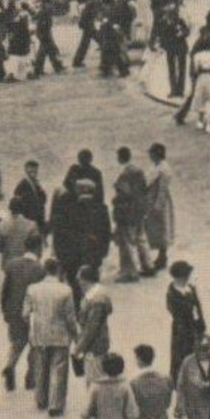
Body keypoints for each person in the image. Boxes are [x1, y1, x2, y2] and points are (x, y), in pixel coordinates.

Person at [24, 257, 78, 416]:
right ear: (58, 270)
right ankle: (55, 404)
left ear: (44, 270)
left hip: (39, 334)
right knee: (58, 368)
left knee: (40, 367)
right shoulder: (66, 290)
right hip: (60, 335)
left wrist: (32, 327)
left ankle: (41, 399)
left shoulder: (32, 289)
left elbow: (25, 314)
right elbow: (70, 317)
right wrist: (75, 336)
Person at [0, 238, 46, 393]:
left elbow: (5, 291)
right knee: (35, 345)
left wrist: (5, 310)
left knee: (16, 343)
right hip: (33, 313)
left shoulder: (11, 264)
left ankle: (10, 365)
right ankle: (30, 378)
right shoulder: (40, 268)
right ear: (38, 248)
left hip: (14, 311)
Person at [112, 146, 155, 282]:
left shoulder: (125, 174)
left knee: (127, 242)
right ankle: (148, 266)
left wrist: (116, 200)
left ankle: (130, 272)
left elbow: (125, 194)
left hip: (127, 212)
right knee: (141, 238)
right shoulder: (139, 171)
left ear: (120, 157)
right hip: (139, 211)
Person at [165, 260, 208, 384]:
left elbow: (198, 307)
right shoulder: (172, 294)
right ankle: (179, 380)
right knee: (181, 354)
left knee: (198, 353)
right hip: (182, 330)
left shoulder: (191, 288)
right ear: (180, 277)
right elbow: (178, 313)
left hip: (195, 327)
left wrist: (201, 324)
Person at [74, 264, 116, 381]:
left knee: (95, 379)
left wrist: (79, 347)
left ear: (85, 280)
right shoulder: (97, 295)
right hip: (97, 343)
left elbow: (91, 328)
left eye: (79, 279)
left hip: (94, 346)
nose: (78, 282)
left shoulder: (95, 300)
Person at [83, 352, 140, 419]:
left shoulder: (95, 387)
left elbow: (85, 414)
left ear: (103, 368)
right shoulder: (125, 387)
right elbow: (132, 415)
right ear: (121, 368)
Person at [144, 143, 177, 271]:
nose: (150, 156)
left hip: (159, 202)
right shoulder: (155, 166)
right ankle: (160, 256)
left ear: (156, 154)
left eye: (151, 153)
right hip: (151, 200)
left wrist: (158, 205)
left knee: (162, 228)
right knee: (155, 229)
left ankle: (163, 256)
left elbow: (163, 189)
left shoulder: (164, 168)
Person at [129, 344, 175, 419]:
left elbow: (133, 409)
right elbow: (167, 403)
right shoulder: (166, 379)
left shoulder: (133, 383)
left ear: (139, 359)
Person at [157, 6, 190, 98]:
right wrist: (162, 47)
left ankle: (180, 90)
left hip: (180, 47)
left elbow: (187, 31)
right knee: (171, 70)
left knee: (181, 70)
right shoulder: (162, 23)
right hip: (170, 48)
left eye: (171, 14)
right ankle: (173, 90)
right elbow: (161, 36)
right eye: (168, 14)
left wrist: (182, 33)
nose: (169, 16)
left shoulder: (180, 21)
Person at [0, 196, 38, 265]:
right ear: (23, 209)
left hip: (8, 264)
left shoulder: (2, 225)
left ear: (10, 208)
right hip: (25, 264)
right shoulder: (31, 225)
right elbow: (36, 248)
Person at [31, 0, 65, 77]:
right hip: (44, 33)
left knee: (50, 50)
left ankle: (56, 66)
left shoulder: (44, 9)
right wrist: (43, 35)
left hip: (44, 32)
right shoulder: (45, 10)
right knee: (44, 51)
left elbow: (36, 17)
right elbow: (42, 23)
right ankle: (39, 69)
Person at [13, 159, 50, 235]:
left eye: (35, 170)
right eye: (31, 170)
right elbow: (18, 202)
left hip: (38, 218)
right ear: (26, 170)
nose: (34, 172)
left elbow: (43, 199)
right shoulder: (22, 184)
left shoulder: (36, 183)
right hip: (29, 219)